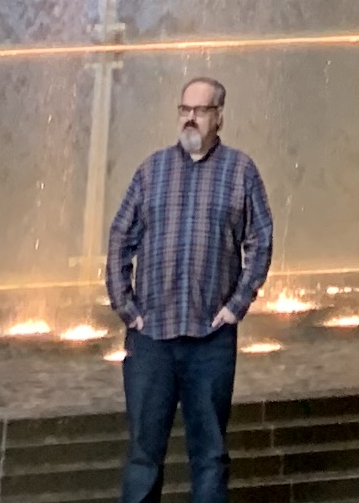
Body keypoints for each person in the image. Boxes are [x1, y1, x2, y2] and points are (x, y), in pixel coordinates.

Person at [104, 74, 274, 503]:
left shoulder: (240, 171)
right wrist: (126, 308)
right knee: (143, 456)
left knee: (210, 456)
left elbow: (260, 240)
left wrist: (236, 306)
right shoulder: (151, 170)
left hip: (210, 339)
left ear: (219, 116)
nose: (190, 118)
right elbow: (120, 236)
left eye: (200, 110)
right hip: (151, 338)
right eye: (184, 109)